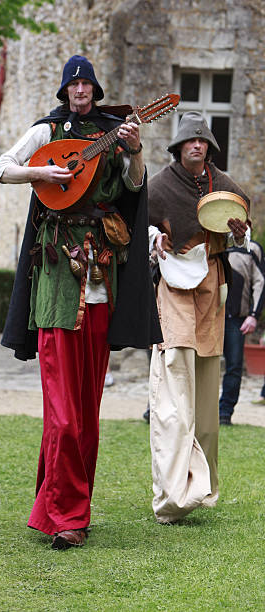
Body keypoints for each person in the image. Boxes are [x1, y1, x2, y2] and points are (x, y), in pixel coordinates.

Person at [0, 55, 162, 549]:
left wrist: (134, 151)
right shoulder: (48, 132)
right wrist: (43, 175)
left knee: (86, 411)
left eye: (87, 84)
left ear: (96, 90)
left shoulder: (113, 131)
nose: (81, 91)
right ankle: (65, 513)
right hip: (54, 284)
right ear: (66, 90)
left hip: (99, 279)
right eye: (74, 84)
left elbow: (133, 187)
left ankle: (67, 509)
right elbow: (2, 169)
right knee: (62, 414)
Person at [147, 111, 250, 524]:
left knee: (206, 391)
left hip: (211, 283)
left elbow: (242, 227)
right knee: (174, 378)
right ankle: (171, 495)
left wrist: (240, 232)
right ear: (178, 146)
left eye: (203, 141)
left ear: (209, 146)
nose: (197, 146)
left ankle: (201, 489)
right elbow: (138, 226)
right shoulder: (159, 186)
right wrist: (155, 237)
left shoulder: (221, 184)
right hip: (172, 284)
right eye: (190, 141)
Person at [219, 240, 265, 424]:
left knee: (234, 367)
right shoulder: (213, 241)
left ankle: (224, 413)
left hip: (236, 318)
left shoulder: (252, 248)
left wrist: (254, 315)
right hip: (207, 317)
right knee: (198, 364)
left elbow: (260, 282)